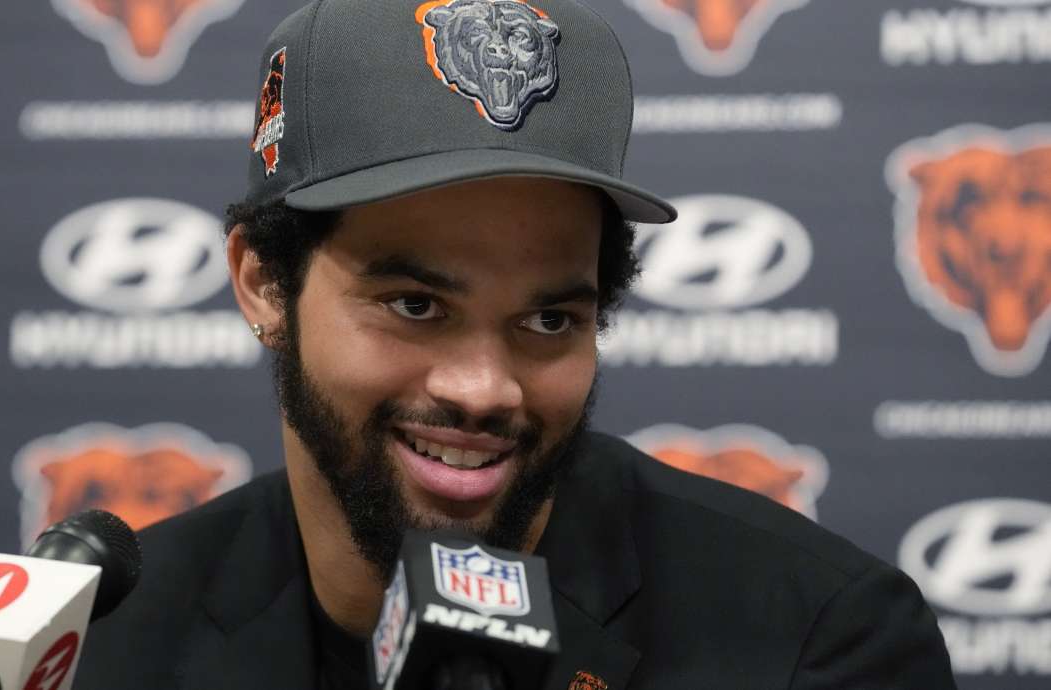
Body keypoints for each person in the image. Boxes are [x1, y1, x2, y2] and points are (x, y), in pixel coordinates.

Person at [75, 0, 957, 688]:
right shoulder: (105, 646)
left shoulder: (815, 641)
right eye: (416, 304)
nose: (484, 388)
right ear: (265, 283)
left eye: (547, 321)